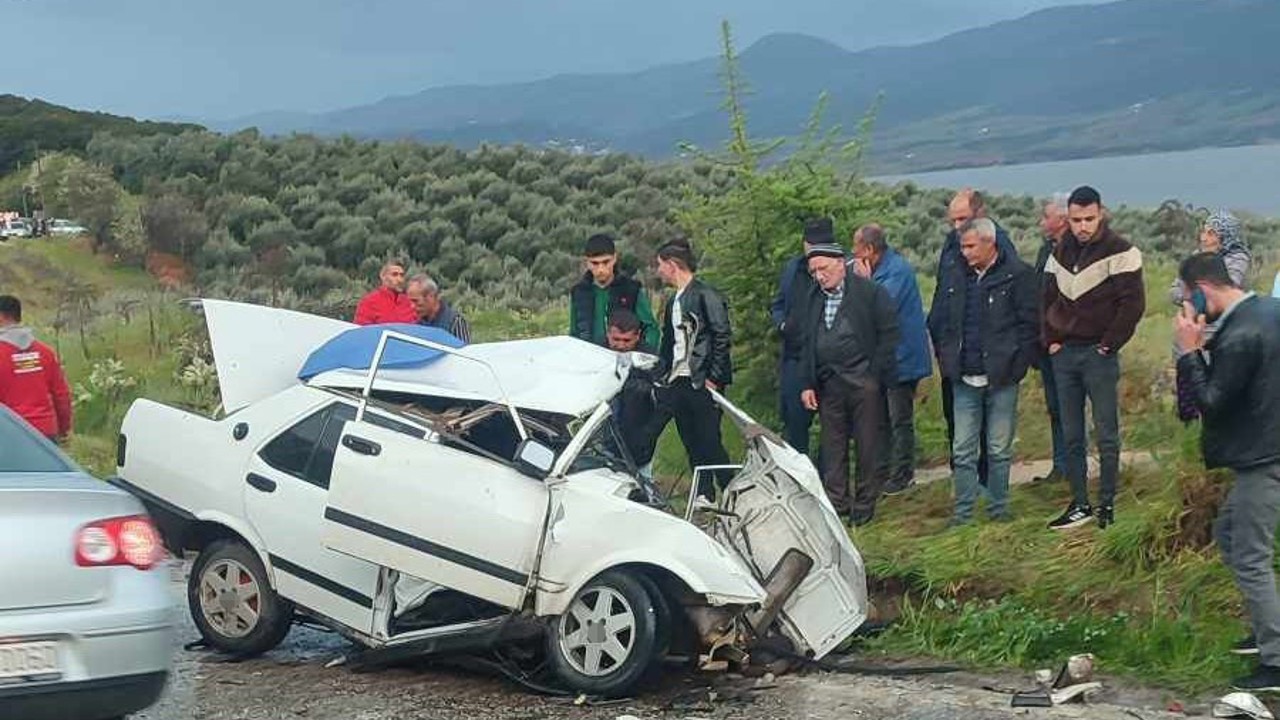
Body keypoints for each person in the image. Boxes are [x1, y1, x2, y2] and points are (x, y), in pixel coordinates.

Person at [1174, 252, 1280, 692]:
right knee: (1229, 534)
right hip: (1266, 446)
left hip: (1263, 457)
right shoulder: (1269, 311)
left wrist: (1190, 352)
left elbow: (1212, 402)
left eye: (1187, 297)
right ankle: (1267, 625)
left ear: (1201, 288)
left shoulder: (1238, 334)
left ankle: (1275, 661)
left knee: (1252, 555)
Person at [1043, 186, 1145, 530]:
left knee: (1106, 432)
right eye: (1076, 220)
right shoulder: (1059, 251)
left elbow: (1132, 304)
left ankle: (1107, 504)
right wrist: (1052, 340)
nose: (1083, 226)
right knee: (1072, 433)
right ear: (1067, 219)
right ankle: (1080, 504)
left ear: (1100, 213)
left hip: (1098, 354)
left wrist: (1108, 345)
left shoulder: (1122, 251)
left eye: (1089, 219)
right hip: (1065, 354)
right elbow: (1044, 298)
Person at [928, 219, 1039, 524]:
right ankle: (963, 515)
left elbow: (1030, 326)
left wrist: (1017, 367)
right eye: (962, 246)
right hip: (963, 377)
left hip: (1002, 378)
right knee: (963, 450)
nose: (964, 253)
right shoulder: (954, 277)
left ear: (991, 243)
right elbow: (938, 320)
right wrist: (947, 359)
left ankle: (998, 511)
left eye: (970, 246)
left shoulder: (1018, 276)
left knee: (998, 449)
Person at [798, 243, 899, 526]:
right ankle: (837, 504)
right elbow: (805, 342)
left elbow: (889, 335)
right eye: (814, 271)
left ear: (841, 264)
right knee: (833, 446)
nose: (819, 276)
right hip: (828, 383)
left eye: (824, 269)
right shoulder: (812, 297)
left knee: (868, 445)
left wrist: (874, 375)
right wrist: (808, 383)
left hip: (864, 382)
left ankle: (865, 505)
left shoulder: (870, 293)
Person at [931, 189, 1019, 488]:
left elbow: (1015, 309)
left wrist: (1013, 359)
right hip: (955, 352)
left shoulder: (1000, 248)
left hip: (988, 356)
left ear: (980, 216)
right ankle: (965, 488)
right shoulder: (950, 245)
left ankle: (991, 490)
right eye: (952, 220)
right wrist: (941, 342)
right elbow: (943, 295)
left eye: (963, 219)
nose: (957, 227)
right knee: (957, 422)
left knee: (989, 430)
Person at [648, 239, 734, 499]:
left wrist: (714, 376)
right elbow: (669, 342)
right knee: (690, 438)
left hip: (701, 378)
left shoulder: (706, 295)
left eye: (660, 265)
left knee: (709, 439)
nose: (658, 271)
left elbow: (721, 334)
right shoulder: (674, 299)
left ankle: (732, 487)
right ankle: (704, 493)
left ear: (672, 265)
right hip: (679, 379)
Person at [851, 223, 931, 495]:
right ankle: (882, 472)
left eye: (857, 248)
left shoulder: (896, 271)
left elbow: (880, 307)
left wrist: (862, 282)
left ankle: (903, 474)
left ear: (870, 249)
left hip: (903, 358)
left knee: (900, 419)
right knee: (881, 418)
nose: (853, 253)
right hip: (886, 358)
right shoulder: (883, 269)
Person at [769, 218, 826, 455]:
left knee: (832, 427)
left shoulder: (838, 270)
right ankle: (798, 478)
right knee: (794, 424)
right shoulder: (793, 268)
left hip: (825, 358)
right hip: (794, 356)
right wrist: (782, 324)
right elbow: (778, 303)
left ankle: (827, 480)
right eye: (810, 244)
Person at [1170, 210, 1251, 357]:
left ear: (1225, 236)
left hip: (1221, 334)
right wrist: (1192, 296)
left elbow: (1224, 288)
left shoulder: (1237, 259)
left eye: (1211, 233)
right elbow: (1174, 291)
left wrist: (1191, 297)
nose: (1203, 238)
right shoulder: (1197, 256)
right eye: (1203, 232)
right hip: (1191, 331)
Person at [1032, 194, 1071, 484]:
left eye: (1046, 216)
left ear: (1062, 218)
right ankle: (1060, 466)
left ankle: (1074, 466)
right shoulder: (1046, 250)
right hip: (1046, 341)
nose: (1041, 221)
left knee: (1070, 406)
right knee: (1055, 406)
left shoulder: (1078, 250)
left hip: (1069, 343)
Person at [0, 295, 72, 442]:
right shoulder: (45, 352)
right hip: (45, 433)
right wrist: (64, 428)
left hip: (10, 434)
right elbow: (61, 396)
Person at [569, 233, 659, 350]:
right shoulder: (578, 292)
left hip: (625, 358)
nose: (601, 269)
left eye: (606, 262)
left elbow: (650, 328)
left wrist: (643, 356)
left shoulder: (631, 289)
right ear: (587, 262)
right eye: (595, 263)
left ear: (614, 258)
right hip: (589, 359)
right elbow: (574, 332)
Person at [605, 308, 659, 485]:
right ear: (608, 334)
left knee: (642, 482)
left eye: (626, 340)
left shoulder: (651, 360)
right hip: (603, 433)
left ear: (638, 336)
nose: (620, 345)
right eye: (616, 339)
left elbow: (663, 401)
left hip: (639, 432)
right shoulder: (594, 352)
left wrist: (650, 433)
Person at [407, 274, 472, 343]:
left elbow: (464, 352)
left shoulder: (455, 322)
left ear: (430, 297)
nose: (412, 306)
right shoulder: (418, 325)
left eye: (416, 301)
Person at [353, 260, 417, 325]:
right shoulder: (369, 302)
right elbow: (361, 331)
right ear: (383, 276)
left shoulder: (410, 303)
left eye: (401, 275)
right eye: (394, 275)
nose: (399, 280)